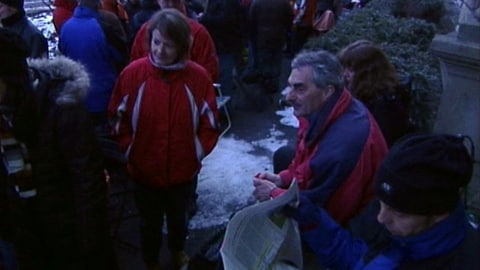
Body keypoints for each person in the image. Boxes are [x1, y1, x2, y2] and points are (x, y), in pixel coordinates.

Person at [108, 8, 219, 270]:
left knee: (179, 219)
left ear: (182, 46)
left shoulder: (198, 77)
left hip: (183, 172)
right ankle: (150, 260)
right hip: (143, 170)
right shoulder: (133, 74)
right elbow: (116, 117)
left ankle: (178, 250)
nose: (159, 51)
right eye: (156, 42)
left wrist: (197, 151)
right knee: (149, 222)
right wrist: (129, 150)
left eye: (168, 45)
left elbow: (211, 123)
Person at [0, 28, 117, 270]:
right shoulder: (6, 113)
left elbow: (88, 184)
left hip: (70, 240)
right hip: (28, 237)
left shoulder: (62, 109)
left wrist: (89, 247)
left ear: (10, 77)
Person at [287, 133, 480, 269]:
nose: (381, 218)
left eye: (400, 214)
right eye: (380, 203)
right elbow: (356, 256)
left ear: (439, 213)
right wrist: (313, 221)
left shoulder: (465, 261)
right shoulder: (392, 219)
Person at [253, 50, 388, 225]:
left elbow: (325, 215)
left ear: (327, 91)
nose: (288, 97)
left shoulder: (342, 144)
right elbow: (306, 162)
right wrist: (283, 179)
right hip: (330, 203)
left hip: (350, 227)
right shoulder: (326, 108)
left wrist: (274, 194)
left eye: (300, 88)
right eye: (291, 86)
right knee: (284, 155)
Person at [59, 0, 128, 128]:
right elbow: (121, 57)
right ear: (98, 3)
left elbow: (64, 55)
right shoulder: (104, 28)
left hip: (79, 97)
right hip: (105, 97)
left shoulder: (66, 28)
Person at [337, 40, 413, 147]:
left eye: (350, 69)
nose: (345, 74)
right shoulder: (364, 96)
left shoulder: (385, 106)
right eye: (344, 68)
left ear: (367, 72)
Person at [129, 0, 219, 82]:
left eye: (176, 1)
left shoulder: (198, 32)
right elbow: (135, 67)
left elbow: (209, 71)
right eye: (166, 1)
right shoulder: (146, 31)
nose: (171, 5)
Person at [199, 0, 246, 101]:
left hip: (225, 45)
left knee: (224, 78)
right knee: (222, 77)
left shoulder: (228, 3)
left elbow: (226, 20)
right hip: (220, 45)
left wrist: (204, 18)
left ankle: (226, 109)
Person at [244, 0, 293, 96]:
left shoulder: (257, 2)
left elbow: (251, 20)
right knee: (276, 60)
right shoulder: (283, 3)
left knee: (264, 60)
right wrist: (286, 31)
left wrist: (252, 36)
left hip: (262, 37)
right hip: (278, 35)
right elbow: (289, 18)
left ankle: (264, 83)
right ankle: (273, 83)